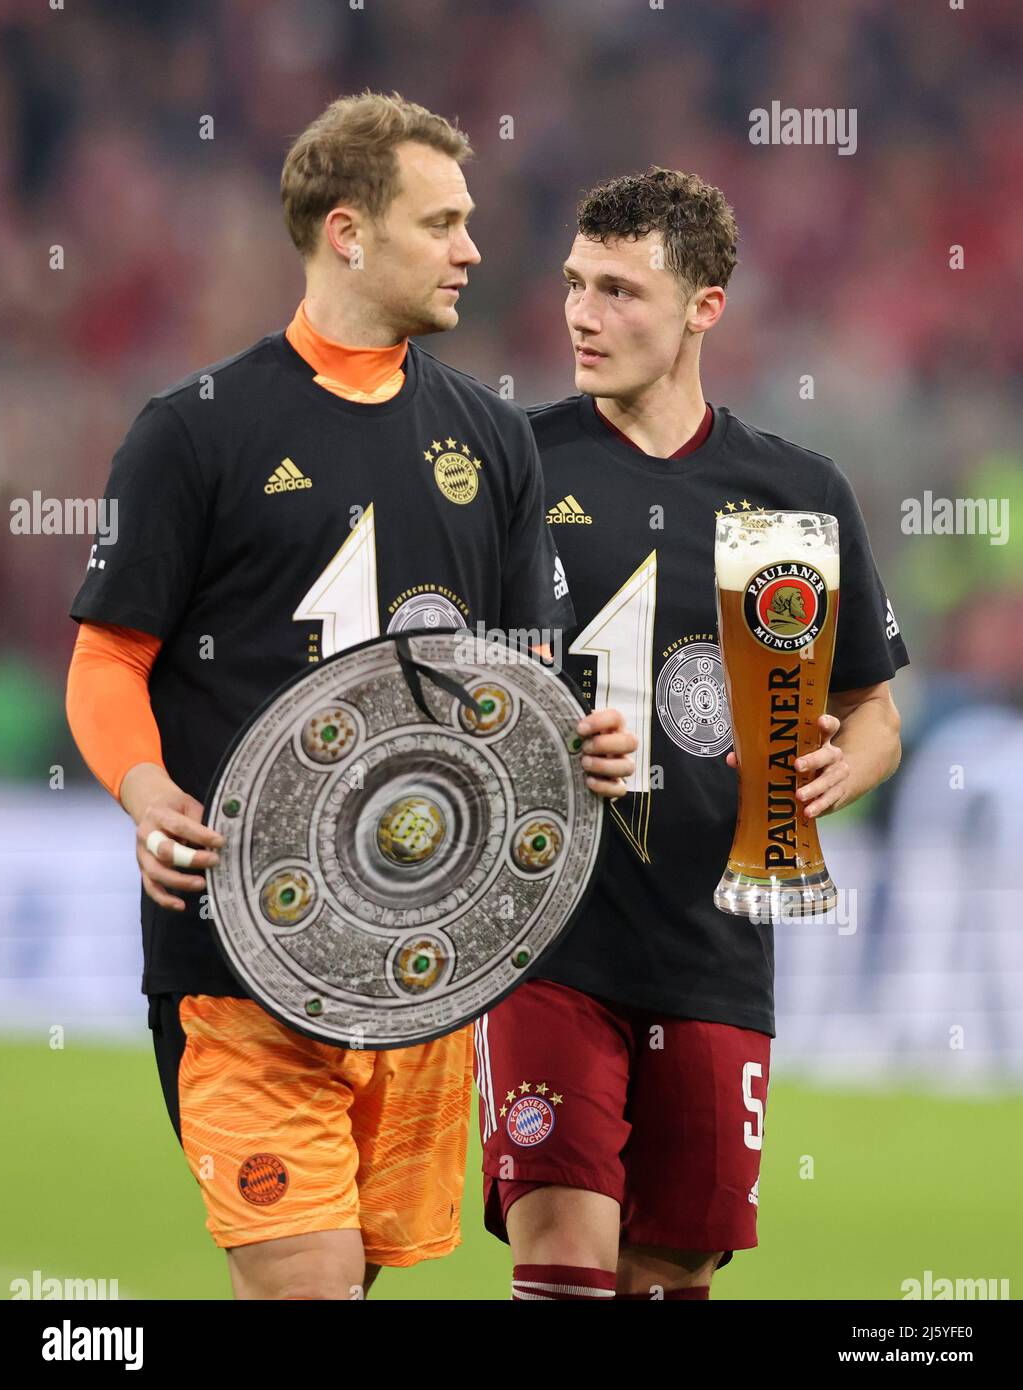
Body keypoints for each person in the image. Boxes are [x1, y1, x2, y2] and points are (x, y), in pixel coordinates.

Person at [65, 91, 635, 1302]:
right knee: (307, 1285)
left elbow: (525, 672)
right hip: (238, 955)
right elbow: (108, 658)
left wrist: (579, 733)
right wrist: (144, 785)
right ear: (346, 231)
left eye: (469, 221)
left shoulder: (491, 437)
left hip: (420, 965)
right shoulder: (192, 431)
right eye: (442, 222)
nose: (473, 248)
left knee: (357, 1282)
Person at [473, 167, 909, 1300]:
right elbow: (434, 676)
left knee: (666, 1271)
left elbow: (873, 713)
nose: (580, 314)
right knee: (562, 1242)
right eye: (574, 284)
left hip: (715, 946)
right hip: (545, 939)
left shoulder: (792, 493)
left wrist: (838, 768)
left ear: (703, 308)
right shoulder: (511, 466)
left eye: (618, 290)